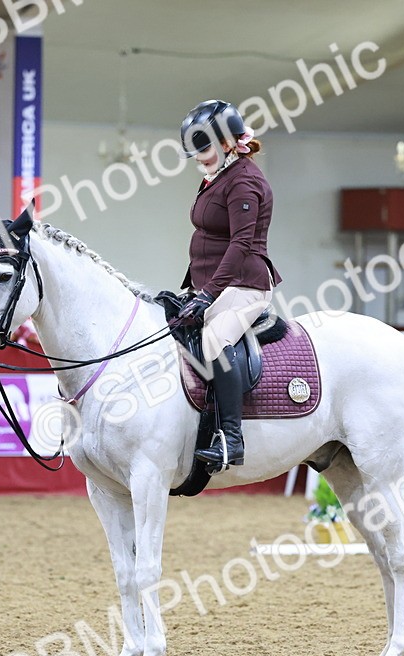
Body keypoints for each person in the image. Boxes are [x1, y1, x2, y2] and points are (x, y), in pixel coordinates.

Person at [175, 100, 282, 471]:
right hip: (216, 284)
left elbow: (240, 245)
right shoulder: (218, 176)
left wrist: (207, 295)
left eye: (203, 149)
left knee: (216, 339)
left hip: (245, 284)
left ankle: (231, 440)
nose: (198, 157)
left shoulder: (244, 181)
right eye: (195, 151)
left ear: (226, 143)